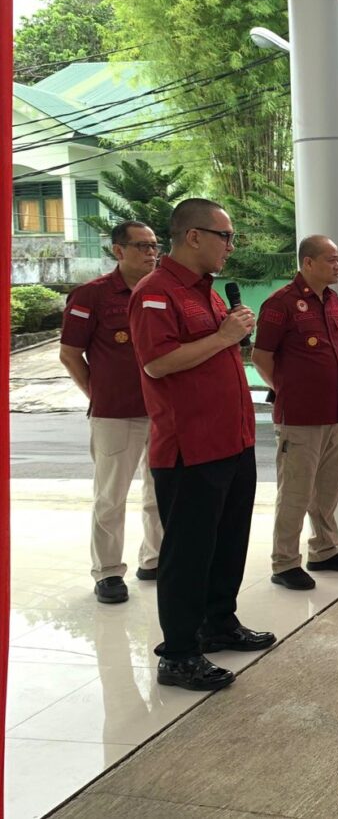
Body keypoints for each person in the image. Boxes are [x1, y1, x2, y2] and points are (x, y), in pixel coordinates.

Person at [128, 198, 275, 691]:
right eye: (225, 237)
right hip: (190, 449)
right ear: (194, 236)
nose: (230, 247)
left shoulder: (209, 293)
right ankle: (179, 655)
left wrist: (227, 333)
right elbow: (157, 363)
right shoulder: (157, 293)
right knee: (187, 555)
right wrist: (224, 336)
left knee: (228, 543)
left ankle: (219, 623)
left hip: (232, 441)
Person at [59, 220, 165, 604]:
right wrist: (99, 395)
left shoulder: (162, 292)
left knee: (159, 492)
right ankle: (107, 572)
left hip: (162, 412)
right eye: (142, 246)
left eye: (155, 246)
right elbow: (70, 354)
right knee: (111, 496)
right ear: (118, 251)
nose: (151, 253)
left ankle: (154, 559)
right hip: (115, 414)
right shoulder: (92, 295)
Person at [252, 235, 338, 590]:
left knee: (328, 489)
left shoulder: (332, 301)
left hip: (336, 413)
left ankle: (324, 550)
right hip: (299, 418)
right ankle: (284, 563)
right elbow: (261, 358)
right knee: (295, 493)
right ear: (308, 263)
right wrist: (286, 391)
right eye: (331, 260)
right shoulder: (279, 304)